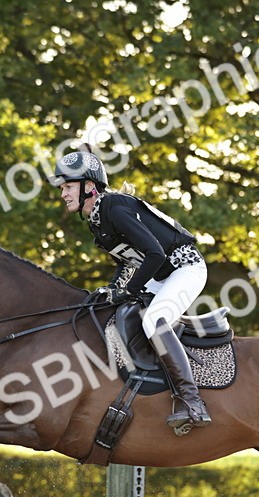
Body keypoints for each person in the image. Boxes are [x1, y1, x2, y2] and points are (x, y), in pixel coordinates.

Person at [49, 147, 211, 429]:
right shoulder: (98, 221)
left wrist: (127, 290)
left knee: (152, 320)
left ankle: (192, 401)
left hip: (185, 268)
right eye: (62, 187)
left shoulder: (113, 207)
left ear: (89, 187)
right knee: (110, 311)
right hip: (160, 275)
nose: (63, 194)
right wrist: (112, 290)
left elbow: (156, 254)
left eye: (68, 187)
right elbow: (127, 264)